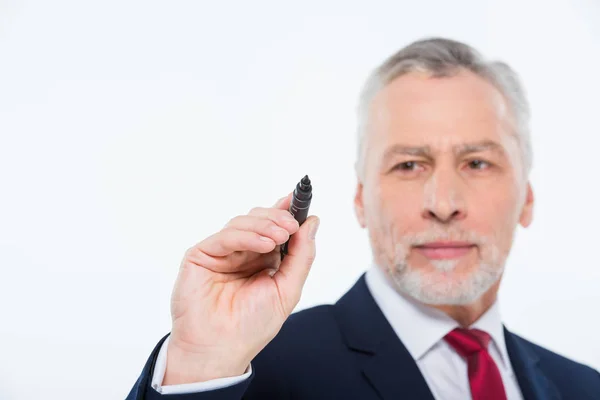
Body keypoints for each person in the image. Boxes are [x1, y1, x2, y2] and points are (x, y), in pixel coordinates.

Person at [126, 37, 600, 400]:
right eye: (408, 165)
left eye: (477, 163)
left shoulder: (583, 387)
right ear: (359, 200)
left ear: (528, 198)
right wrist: (201, 365)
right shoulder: (252, 371)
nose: (443, 202)